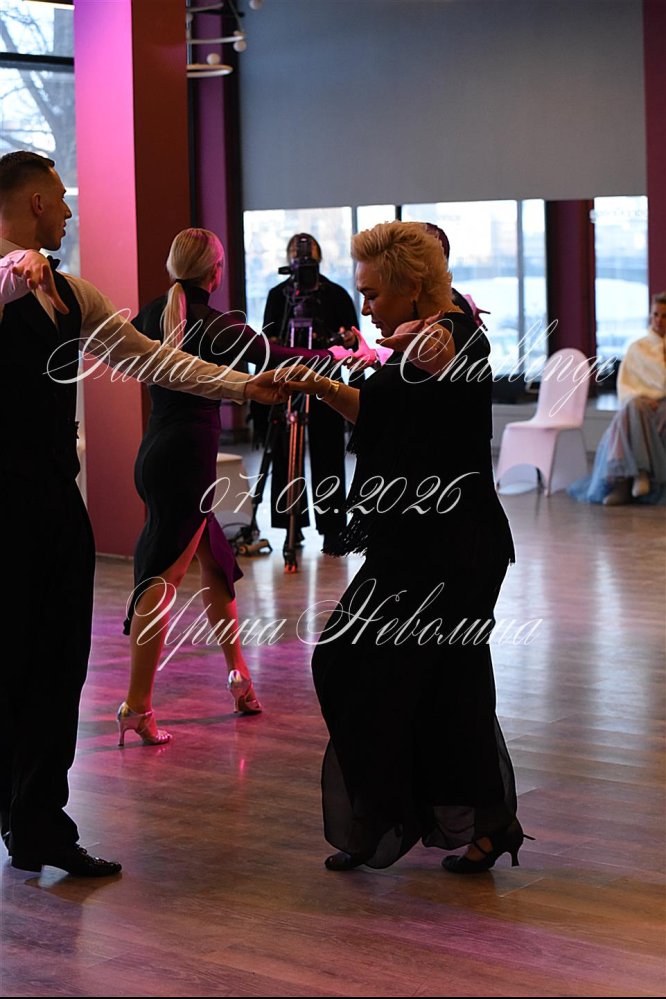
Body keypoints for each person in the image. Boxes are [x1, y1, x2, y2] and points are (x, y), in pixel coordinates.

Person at [0, 151, 285, 877]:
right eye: (60, 199)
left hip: (55, 502)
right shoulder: (12, 279)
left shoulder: (72, 294)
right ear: (35, 203)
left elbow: (155, 360)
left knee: (60, 663)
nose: (69, 211)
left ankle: (39, 826)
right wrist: (9, 273)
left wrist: (244, 387)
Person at [282, 221, 525, 873]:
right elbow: (386, 411)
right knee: (445, 687)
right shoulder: (429, 335)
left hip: (446, 548)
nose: (365, 308)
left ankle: (390, 813)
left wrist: (336, 380)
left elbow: (420, 378)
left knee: (357, 668)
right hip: (429, 542)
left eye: (373, 294)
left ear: (412, 286)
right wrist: (321, 385)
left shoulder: (445, 337)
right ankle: (466, 819)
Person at [120, 227, 365, 744]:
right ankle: (137, 705)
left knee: (217, 564)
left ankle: (239, 677)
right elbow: (278, 355)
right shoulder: (216, 325)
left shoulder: (152, 314)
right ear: (216, 272)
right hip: (187, 460)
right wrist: (340, 357)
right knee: (163, 578)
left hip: (157, 452)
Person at [261, 234, 360, 549]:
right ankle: (291, 526)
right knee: (284, 456)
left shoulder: (336, 294)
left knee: (328, 455)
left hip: (327, 385)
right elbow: (266, 343)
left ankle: (333, 527)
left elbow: (355, 340)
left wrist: (341, 339)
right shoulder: (279, 296)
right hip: (287, 383)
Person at [568, 292, 666, 506]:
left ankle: (624, 484)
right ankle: (637, 475)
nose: (658, 320)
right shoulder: (637, 347)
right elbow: (626, 385)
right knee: (632, 408)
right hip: (641, 403)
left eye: (664, 316)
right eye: (655, 315)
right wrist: (641, 397)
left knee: (628, 418)